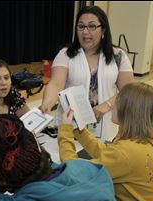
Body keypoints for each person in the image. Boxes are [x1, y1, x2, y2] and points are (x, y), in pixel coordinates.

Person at [58, 82, 153, 201]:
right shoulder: (151, 138)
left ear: (128, 111)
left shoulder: (125, 153)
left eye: (116, 103)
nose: (111, 106)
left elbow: (72, 172)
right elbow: (108, 153)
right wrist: (79, 129)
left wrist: (65, 129)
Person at [40, 5, 134, 142]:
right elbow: (56, 83)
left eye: (91, 26)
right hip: (70, 125)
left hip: (104, 126)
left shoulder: (118, 56)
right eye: (81, 26)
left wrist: (107, 105)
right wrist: (47, 102)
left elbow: (129, 90)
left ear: (103, 30)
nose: (85, 32)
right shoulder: (66, 54)